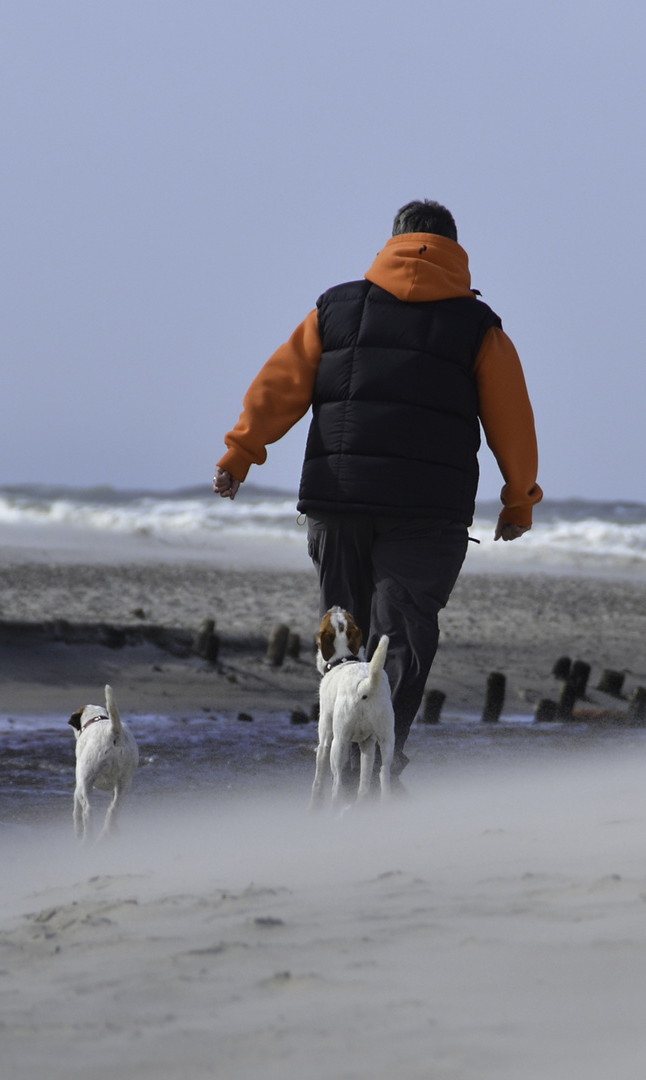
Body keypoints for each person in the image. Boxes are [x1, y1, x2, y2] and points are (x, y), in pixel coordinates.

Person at [213, 199, 542, 776]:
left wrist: (241, 453)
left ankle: (337, 766)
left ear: (392, 242)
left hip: (339, 501)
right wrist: (518, 500)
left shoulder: (336, 308)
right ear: (456, 250)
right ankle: (381, 767)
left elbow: (279, 386)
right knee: (403, 639)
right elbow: (512, 420)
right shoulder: (479, 329)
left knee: (344, 639)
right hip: (427, 515)